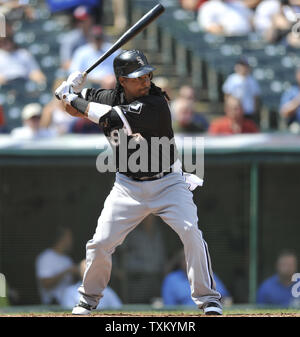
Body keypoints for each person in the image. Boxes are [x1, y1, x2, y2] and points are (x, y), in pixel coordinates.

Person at [55, 49, 223, 315]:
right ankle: (88, 298)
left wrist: (71, 96)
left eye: (147, 75)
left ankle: (208, 299)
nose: (146, 81)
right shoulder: (108, 96)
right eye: (138, 77)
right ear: (122, 80)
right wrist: (67, 91)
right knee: (99, 243)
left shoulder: (155, 103)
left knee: (191, 232)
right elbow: (74, 109)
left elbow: (108, 117)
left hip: (168, 183)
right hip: (127, 186)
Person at [162, 250, 232, 306]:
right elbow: (169, 306)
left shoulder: (209, 275)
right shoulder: (171, 279)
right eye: (186, 259)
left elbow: (224, 297)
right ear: (180, 262)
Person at [122, 214, 166, 303]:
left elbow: (161, 255)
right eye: (146, 217)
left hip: (156, 279)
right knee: (137, 306)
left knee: (156, 307)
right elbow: (120, 252)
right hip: (138, 279)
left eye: (151, 217)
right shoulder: (133, 233)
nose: (149, 219)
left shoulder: (159, 233)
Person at [35, 227, 80, 305]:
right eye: (69, 237)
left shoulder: (67, 259)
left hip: (68, 303)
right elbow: (45, 284)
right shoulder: (46, 257)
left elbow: (72, 285)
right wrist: (67, 271)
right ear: (62, 239)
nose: (72, 241)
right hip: (52, 305)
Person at [69, 25, 117, 89]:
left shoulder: (113, 50)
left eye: (100, 38)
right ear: (90, 38)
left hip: (113, 84)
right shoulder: (82, 52)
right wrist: (100, 80)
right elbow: (74, 72)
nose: (98, 41)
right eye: (96, 38)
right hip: (90, 86)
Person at [59, 6, 94, 71]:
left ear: (90, 19)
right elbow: (66, 64)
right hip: (79, 74)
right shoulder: (69, 39)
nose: (80, 23)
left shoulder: (98, 36)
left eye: (83, 20)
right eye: (78, 20)